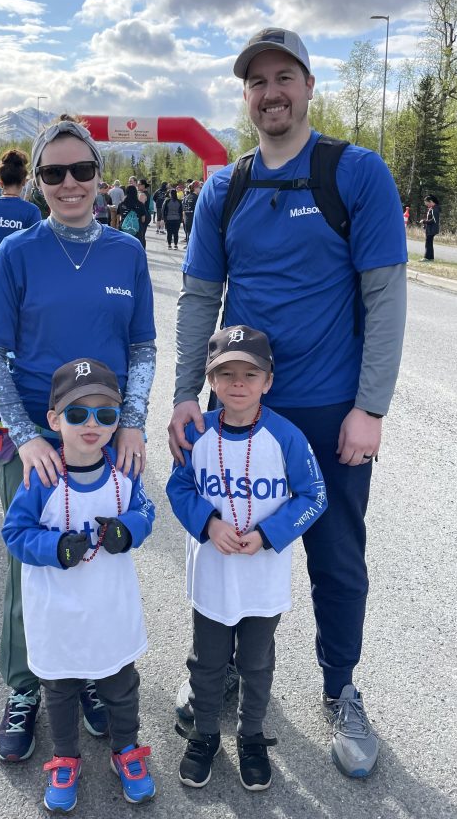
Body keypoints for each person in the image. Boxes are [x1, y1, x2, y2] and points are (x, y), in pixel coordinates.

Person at [168, 27, 408, 779]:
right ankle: (221, 671)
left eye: (284, 77)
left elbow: (385, 292)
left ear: (308, 85)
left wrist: (371, 407)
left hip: (329, 407)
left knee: (335, 558)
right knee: (223, 542)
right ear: (245, 96)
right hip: (236, 406)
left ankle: (340, 691)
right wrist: (184, 393)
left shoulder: (355, 173)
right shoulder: (223, 187)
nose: (270, 92)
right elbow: (199, 296)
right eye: (256, 81)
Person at [0, 116, 156, 768]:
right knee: (35, 567)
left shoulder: (126, 254)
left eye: (82, 170)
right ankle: (28, 687)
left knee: (100, 564)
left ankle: (93, 678)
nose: (70, 183)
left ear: (99, 177)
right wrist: (25, 439)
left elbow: (141, 346)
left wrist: (132, 421)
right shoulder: (19, 254)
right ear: (39, 182)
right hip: (40, 444)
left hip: (105, 441)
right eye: (54, 173)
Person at [167, 326, 327, 791]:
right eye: (226, 374)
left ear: (268, 381)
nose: (238, 383)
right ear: (211, 381)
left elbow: (314, 495)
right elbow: (178, 486)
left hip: (262, 577)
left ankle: (252, 736)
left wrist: (270, 534)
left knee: (256, 663)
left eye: (249, 374)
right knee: (208, 660)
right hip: (213, 575)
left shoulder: (286, 437)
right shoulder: (197, 435)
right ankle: (205, 734)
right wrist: (208, 524)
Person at [2, 358, 156, 811]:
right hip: (57, 611)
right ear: (54, 420)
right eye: (77, 414)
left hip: (110, 607)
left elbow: (146, 512)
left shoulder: (125, 471)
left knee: (121, 683)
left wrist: (128, 530)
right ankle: (65, 758)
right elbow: (14, 533)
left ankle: (126, 750)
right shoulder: (41, 477)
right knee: (61, 689)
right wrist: (54, 548)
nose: (92, 424)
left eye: (106, 415)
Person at [0, 150, 41, 262]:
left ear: (0, 182)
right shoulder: (32, 211)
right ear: (24, 181)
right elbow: (34, 250)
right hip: (18, 273)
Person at [421, 195, 440, 261]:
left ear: (431, 201)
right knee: (429, 243)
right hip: (430, 229)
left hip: (432, 229)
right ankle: (431, 258)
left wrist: (424, 221)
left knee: (428, 243)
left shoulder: (435, 209)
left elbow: (434, 220)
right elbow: (431, 218)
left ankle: (426, 257)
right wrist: (425, 223)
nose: (426, 204)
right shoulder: (432, 208)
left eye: (426, 203)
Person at [182, 182, 200, 246]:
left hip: (187, 220)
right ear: (195, 188)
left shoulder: (186, 197)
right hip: (194, 220)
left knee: (188, 235)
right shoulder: (197, 197)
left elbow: (183, 210)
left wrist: (184, 220)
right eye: (199, 187)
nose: (200, 189)